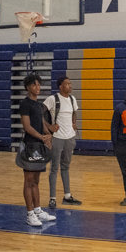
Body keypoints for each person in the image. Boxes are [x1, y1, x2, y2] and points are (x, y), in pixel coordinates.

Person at [17, 73, 57, 227]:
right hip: (30, 146)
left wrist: (49, 136)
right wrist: (42, 137)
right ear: (28, 87)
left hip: (40, 147)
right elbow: (27, 127)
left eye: (39, 84)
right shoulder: (25, 104)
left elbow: (42, 123)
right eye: (34, 85)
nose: (37, 87)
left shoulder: (39, 105)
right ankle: (29, 214)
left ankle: (38, 210)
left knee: (36, 181)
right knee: (28, 181)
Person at [43, 76, 82, 209]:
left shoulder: (72, 99)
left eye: (70, 83)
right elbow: (39, 113)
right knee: (54, 168)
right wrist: (49, 127)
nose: (70, 86)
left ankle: (67, 196)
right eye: (67, 84)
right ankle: (52, 198)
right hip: (58, 138)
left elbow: (74, 113)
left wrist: (74, 123)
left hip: (70, 138)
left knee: (65, 167)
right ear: (60, 86)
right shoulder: (53, 99)